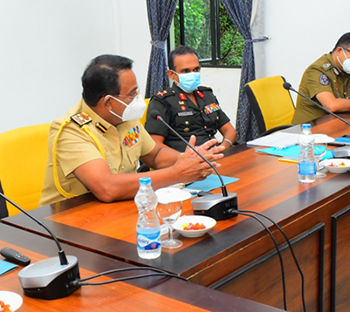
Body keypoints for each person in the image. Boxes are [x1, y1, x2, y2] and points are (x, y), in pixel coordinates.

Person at [39, 54, 224, 206]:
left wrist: (190, 160)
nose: (137, 98)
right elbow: (107, 188)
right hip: (68, 221)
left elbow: (155, 155)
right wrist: (176, 174)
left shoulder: (124, 117)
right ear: (108, 102)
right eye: (132, 93)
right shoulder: (72, 131)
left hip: (118, 208)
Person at [144, 45, 237, 151]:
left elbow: (229, 130)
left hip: (216, 154)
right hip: (184, 158)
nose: (192, 74)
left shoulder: (207, 95)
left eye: (196, 69)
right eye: (186, 71)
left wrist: (223, 147)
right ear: (172, 74)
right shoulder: (162, 102)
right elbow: (155, 145)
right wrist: (184, 158)